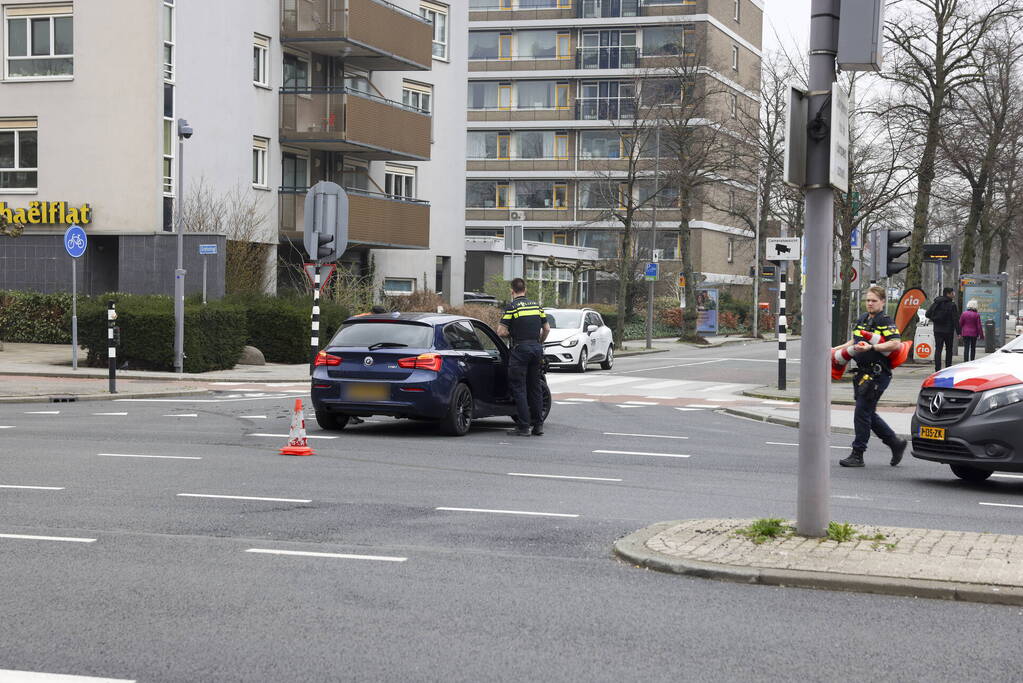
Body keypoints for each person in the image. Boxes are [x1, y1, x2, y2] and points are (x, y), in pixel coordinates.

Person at [835, 286, 907, 468]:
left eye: (874, 300)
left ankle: (858, 454)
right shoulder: (863, 319)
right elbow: (854, 341)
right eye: (868, 300)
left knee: (861, 412)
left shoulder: (885, 320)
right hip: (862, 374)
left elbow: (895, 344)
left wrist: (872, 348)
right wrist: (836, 349)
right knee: (867, 413)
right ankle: (895, 443)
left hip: (877, 374)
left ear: (882, 302)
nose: (870, 303)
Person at [497, 278, 550, 437]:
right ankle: (538, 425)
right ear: (525, 290)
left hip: (520, 350)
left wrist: (512, 334)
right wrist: (538, 343)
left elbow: (500, 331)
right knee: (534, 387)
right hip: (536, 349)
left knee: (519, 388)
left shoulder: (512, 307)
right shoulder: (536, 306)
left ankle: (523, 426)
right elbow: (546, 329)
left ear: (512, 291)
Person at [925, 287, 960, 371]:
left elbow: (927, 314)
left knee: (938, 349)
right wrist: (959, 332)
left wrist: (935, 320)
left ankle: (937, 368)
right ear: (948, 294)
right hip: (948, 330)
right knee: (949, 349)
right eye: (952, 293)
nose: (954, 294)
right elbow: (955, 319)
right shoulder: (952, 305)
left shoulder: (936, 303)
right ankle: (948, 367)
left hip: (937, 330)